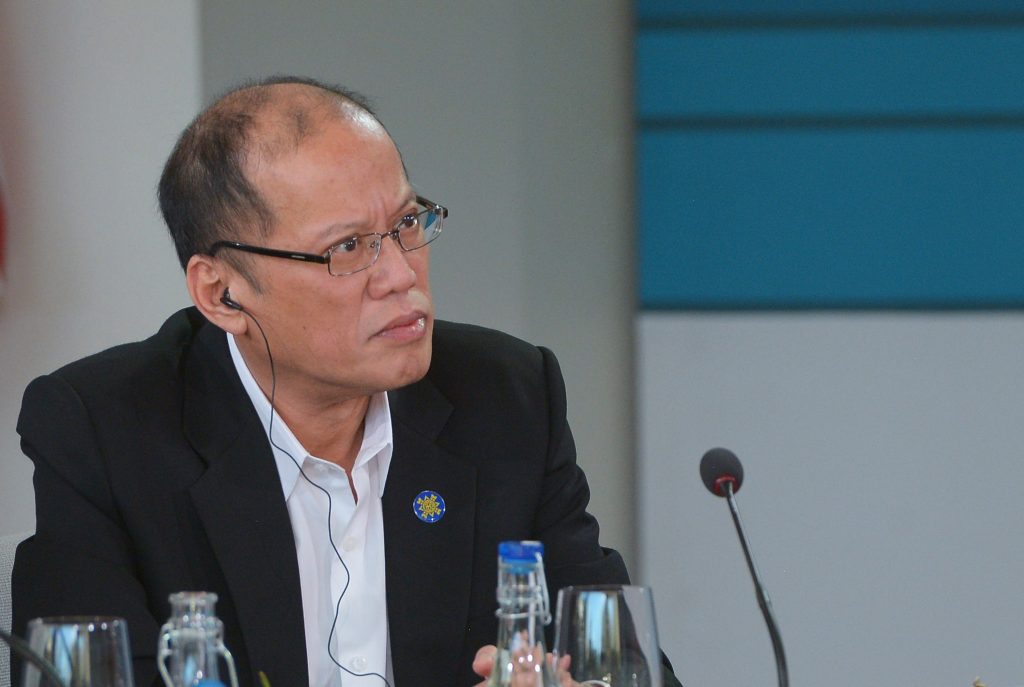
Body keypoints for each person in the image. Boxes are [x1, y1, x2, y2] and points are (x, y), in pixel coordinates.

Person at [12, 76, 678, 687]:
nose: (400, 274)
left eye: (406, 224)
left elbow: (619, 663)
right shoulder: (100, 430)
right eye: (347, 248)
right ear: (221, 294)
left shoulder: (507, 398)